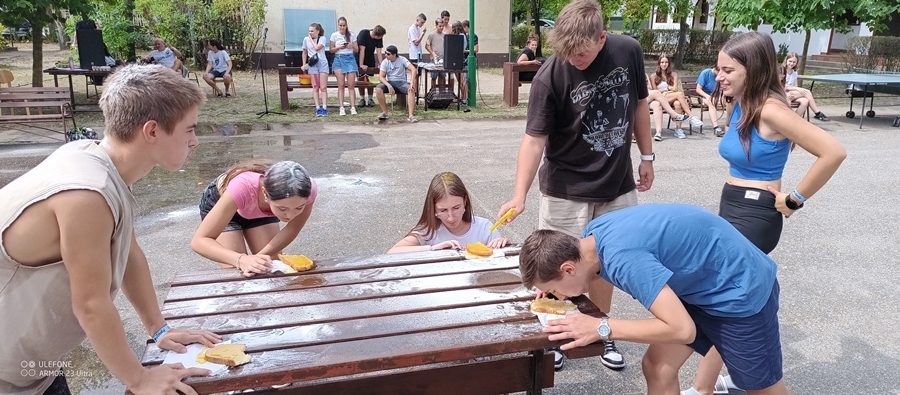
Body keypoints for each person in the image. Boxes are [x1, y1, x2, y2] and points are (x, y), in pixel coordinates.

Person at [0, 64, 220, 395]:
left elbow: (128, 252)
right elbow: (90, 304)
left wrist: (158, 329)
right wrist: (140, 379)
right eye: (189, 129)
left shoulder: (101, 165)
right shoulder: (87, 193)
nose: (196, 140)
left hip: (33, 366)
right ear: (152, 131)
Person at [683, 31, 846, 395]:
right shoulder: (741, 102)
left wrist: (795, 199)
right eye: (718, 68)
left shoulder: (772, 109)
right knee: (720, 299)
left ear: (752, 69)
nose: (718, 76)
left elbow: (833, 151)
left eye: (727, 70)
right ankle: (718, 383)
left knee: (717, 298)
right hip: (732, 207)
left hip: (756, 216)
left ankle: (704, 388)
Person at [496, 0, 653, 371]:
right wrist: (519, 194)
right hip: (564, 187)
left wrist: (647, 157)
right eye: (566, 53)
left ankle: (601, 330)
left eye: (580, 54)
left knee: (605, 266)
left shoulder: (627, 50)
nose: (573, 60)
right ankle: (558, 336)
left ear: (602, 37)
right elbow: (534, 140)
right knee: (556, 269)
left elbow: (640, 106)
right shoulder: (551, 75)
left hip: (616, 183)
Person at [518, 203, 793, 395]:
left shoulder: (625, 260)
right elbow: (594, 271)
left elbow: (681, 329)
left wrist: (601, 327)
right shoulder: (591, 239)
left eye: (556, 287)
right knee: (658, 367)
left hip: (739, 291)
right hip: (700, 282)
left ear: (567, 268)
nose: (559, 295)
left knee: (763, 389)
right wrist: (553, 287)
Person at [191, 160, 318, 277]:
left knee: (270, 265)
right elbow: (199, 241)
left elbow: (292, 229)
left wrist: (258, 258)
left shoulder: (308, 190)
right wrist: (242, 260)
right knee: (236, 271)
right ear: (265, 193)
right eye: (282, 209)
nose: (290, 216)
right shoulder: (241, 187)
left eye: (298, 208)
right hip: (227, 202)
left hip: (259, 205)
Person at [389, 172, 509, 253]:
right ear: (433, 208)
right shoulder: (428, 231)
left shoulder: (484, 228)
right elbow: (392, 253)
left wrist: (502, 244)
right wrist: (432, 248)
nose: (451, 218)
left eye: (456, 208)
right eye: (443, 210)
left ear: (465, 201)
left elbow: (500, 260)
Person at [649, 54, 704, 138]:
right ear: (659, 64)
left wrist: (665, 92)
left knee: (678, 103)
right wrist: (667, 88)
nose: (664, 64)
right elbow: (655, 91)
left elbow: (675, 88)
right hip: (659, 99)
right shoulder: (653, 76)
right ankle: (691, 116)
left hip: (669, 97)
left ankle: (678, 129)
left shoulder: (674, 74)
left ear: (669, 63)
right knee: (680, 94)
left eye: (666, 62)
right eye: (662, 62)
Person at [375, 45, 419, 123]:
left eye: (388, 54)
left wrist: (412, 82)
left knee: (411, 89)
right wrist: (389, 85)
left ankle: (411, 115)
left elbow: (413, 69)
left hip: (401, 82)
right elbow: (381, 77)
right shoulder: (385, 62)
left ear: (394, 55)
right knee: (378, 89)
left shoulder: (402, 59)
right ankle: (385, 113)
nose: (386, 55)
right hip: (389, 82)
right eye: (385, 53)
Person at [782, 52, 830, 121]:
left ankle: (793, 120)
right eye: (790, 61)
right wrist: (797, 89)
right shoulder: (781, 70)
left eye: (794, 62)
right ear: (786, 60)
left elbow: (795, 85)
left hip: (792, 93)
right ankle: (818, 113)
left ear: (796, 63)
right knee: (807, 92)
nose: (792, 63)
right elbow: (782, 86)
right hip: (783, 93)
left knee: (805, 101)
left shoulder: (794, 72)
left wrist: (796, 89)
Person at [330, 17, 359, 116]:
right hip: (338, 59)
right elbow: (331, 49)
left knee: (351, 85)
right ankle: (341, 107)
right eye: (340, 25)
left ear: (346, 25)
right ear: (338, 25)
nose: (342, 27)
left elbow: (357, 50)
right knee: (341, 85)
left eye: (344, 25)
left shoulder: (351, 35)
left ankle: (353, 107)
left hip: (350, 58)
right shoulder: (334, 35)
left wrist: (351, 45)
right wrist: (339, 47)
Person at [303, 23, 330, 117]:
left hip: (322, 63)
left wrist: (311, 39)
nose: (310, 33)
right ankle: (318, 108)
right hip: (313, 64)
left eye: (312, 31)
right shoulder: (305, 39)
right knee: (315, 87)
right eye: (309, 31)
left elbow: (317, 48)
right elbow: (305, 52)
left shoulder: (322, 38)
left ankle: (325, 107)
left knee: (323, 87)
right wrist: (304, 64)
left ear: (318, 31)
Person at [357, 25, 386, 108]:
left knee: (371, 79)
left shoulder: (379, 37)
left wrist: (381, 64)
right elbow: (362, 50)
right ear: (377, 36)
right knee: (361, 78)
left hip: (370, 59)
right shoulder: (363, 34)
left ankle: (370, 99)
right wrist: (361, 64)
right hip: (360, 58)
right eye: (380, 37)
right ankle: (362, 98)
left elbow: (379, 51)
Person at [695, 65, 725, 136]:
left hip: (716, 97)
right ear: (714, 69)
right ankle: (716, 128)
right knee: (711, 103)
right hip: (703, 97)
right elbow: (698, 89)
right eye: (718, 72)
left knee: (731, 102)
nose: (719, 75)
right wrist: (707, 96)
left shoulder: (721, 75)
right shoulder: (705, 73)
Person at [425, 18, 448, 87]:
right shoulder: (431, 35)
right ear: (436, 26)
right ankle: (433, 91)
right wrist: (433, 53)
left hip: (443, 58)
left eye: (442, 26)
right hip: (434, 59)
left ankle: (440, 93)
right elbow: (427, 45)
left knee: (442, 76)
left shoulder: (445, 35)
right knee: (434, 76)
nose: (441, 28)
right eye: (440, 26)